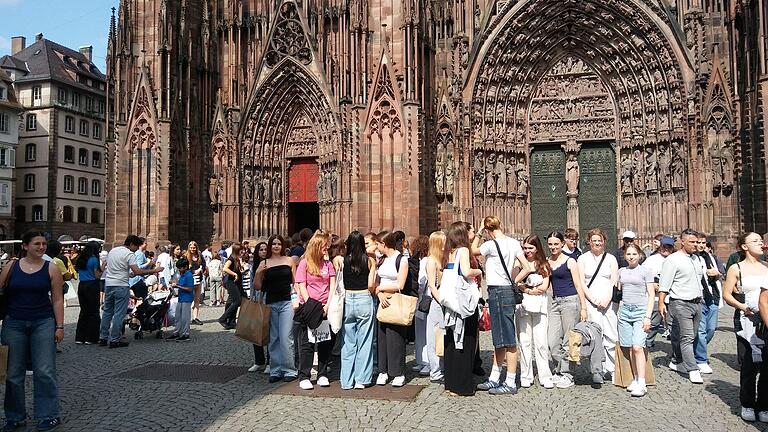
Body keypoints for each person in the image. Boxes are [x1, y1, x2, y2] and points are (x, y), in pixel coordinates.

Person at [0, 232, 65, 431]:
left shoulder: (51, 268)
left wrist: (60, 326)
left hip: (43, 323)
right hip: (14, 323)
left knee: (45, 371)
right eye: (37, 243)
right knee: (13, 373)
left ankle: (48, 415)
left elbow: (57, 299)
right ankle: (14, 417)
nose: (41, 247)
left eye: (44, 244)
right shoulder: (10, 267)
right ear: (25, 246)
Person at [472, 216, 530, 395]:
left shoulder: (490, 244)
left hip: (497, 291)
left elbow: (473, 250)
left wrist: (479, 231)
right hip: (505, 291)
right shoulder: (513, 243)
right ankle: (494, 378)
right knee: (499, 338)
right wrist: (513, 281)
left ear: (488, 228)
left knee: (508, 340)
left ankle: (511, 382)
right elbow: (527, 267)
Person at [723, 232, 768, 422]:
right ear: (744, 246)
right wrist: (742, 307)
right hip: (746, 319)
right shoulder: (736, 268)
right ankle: (748, 403)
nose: (761, 243)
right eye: (755, 241)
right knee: (749, 364)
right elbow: (727, 294)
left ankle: (764, 405)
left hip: (764, 320)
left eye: (761, 240)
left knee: (766, 365)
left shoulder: (766, 267)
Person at [658, 228, 705, 384]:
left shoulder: (697, 259)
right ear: (682, 241)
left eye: (697, 242)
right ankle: (693, 369)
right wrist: (661, 304)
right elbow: (664, 284)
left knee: (692, 335)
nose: (695, 245)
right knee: (687, 337)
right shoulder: (673, 260)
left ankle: (677, 360)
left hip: (697, 303)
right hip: (680, 302)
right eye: (692, 242)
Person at [441, 222, 482, 396]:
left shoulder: (448, 252)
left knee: (451, 341)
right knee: (466, 341)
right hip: (463, 303)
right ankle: (462, 386)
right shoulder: (463, 251)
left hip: (451, 303)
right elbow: (466, 272)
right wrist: (478, 271)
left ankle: (451, 383)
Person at [101, 235, 163, 348]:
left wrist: (128, 274)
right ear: (131, 244)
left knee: (107, 312)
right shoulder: (129, 254)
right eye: (136, 246)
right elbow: (138, 271)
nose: (136, 249)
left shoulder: (113, 251)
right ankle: (115, 339)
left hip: (109, 284)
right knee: (119, 313)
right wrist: (155, 270)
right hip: (121, 285)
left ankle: (103, 338)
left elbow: (115, 268)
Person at [295, 230, 337, 390]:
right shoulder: (305, 263)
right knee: (307, 343)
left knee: (325, 342)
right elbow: (301, 285)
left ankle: (322, 374)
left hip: (326, 307)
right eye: (324, 246)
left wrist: (327, 305)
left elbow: (332, 285)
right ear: (316, 246)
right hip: (310, 307)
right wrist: (311, 305)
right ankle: (304, 376)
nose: (327, 249)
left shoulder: (328, 264)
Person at [546, 231, 588, 389]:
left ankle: (567, 374)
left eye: (556, 244)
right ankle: (559, 369)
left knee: (569, 340)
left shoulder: (570, 261)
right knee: (552, 341)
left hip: (571, 302)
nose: (553, 247)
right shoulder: (548, 262)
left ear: (562, 244)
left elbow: (579, 285)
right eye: (550, 244)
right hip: (555, 303)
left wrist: (583, 307)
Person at [577, 228, 619, 383]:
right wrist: (593, 300)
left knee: (611, 335)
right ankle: (597, 370)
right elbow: (582, 282)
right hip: (591, 301)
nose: (597, 243)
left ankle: (613, 369)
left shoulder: (611, 259)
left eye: (599, 240)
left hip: (608, 303)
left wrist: (607, 299)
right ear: (589, 241)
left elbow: (614, 280)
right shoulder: (582, 259)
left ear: (604, 241)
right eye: (594, 240)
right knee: (595, 337)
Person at [253, 236, 297, 382]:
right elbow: (257, 286)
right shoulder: (265, 263)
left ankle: (289, 370)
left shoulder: (289, 261)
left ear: (283, 246)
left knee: (286, 337)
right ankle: (275, 370)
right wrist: (259, 272)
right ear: (270, 246)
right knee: (274, 338)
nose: (276, 246)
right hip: (270, 302)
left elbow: (295, 282)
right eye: (274, 244)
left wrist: (296, 301)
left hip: (286, 303)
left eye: (279, 244)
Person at [339, 231, 377, 389]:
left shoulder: (342, 261)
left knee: (348, 342)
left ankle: (346, 381)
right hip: (363, 298)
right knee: (365, 341)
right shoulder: (369, 261)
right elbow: (370, 285)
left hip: (348, 299)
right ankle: (361, 379)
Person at [375, 231, 414, 388]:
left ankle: (398, 372)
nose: (377, 247)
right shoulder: (382, 259)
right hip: (382, 300)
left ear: (384, 244)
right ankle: (383, 371)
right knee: (382, 337)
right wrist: (379, 293)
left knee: (396, 338)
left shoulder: (401, 260)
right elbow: (377, 281)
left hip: (395, 300)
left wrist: (381, 289)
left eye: (378, 244)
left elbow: (400, 285)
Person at [616, 244, 656, 397]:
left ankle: (642, 381)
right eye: (628, 254)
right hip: (625, 311)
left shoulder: (646, 271)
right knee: (629, 347)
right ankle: (635, 377)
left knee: (638, 346)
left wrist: (647, 316)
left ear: (639, 255)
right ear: (625, 256)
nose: (631, 256)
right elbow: (618, 289)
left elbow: (651, 295)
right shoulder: (621, 271)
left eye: (634, 254)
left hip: (640, 311)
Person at [516, 234, 554, 389]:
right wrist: (530, 291)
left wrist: (527, 289)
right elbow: (516, 282)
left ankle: (545, 375)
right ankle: (526, 375)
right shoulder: (519, 263)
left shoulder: (543, 264)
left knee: (541, 342)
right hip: (524, 306)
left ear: (537, 248)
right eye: (525, 248)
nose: (527, 251)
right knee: (524, 341)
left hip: (540, 306)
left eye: (530, 248)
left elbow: (545, 286)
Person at [694, 232, 721, 374]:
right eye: (697, 242)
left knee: (711, 328)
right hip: (699, 298)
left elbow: (720, 274)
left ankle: (697, 347)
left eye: (703, 243)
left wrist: (716, 274)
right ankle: (701, 359)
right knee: (701, 330)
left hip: (712, 296)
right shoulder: (691, 258)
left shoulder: (710, 257)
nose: (700, 245)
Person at [642, 236, 675, 348]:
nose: (666, 249)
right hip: (655, 297)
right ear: (660, 246)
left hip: (672, 297)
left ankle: (676, 352)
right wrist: (651, 285)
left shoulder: (676, 259)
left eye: (669, 247)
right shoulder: (651, 260)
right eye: (664, 246)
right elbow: (642, 275)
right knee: (654, 323)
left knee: (673, 324)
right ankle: (646, 344)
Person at [424, 231, 446, 383]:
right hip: (438, 304)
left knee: (442, 337)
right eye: (444, 240)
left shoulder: (443, 259)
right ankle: (435, 371)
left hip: (445, 303)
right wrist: (442, 301)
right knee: (434, 337)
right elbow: (432, 285)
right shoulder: (431, 261)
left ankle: (443, 368)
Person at [74, 241, 103, 345]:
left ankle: (80, 337)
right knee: (94, 312)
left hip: (82, 285)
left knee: (84, 311)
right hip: (92, 285)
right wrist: (103, 267)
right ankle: (91, 337)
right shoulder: (94, 259)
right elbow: (97, 276)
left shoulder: (81, 258)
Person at [411, 235, 430, 376]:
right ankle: (421, 360)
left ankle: (426, 362)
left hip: (423, 299)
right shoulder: (425, 260)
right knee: (422, 330)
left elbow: (422, 281)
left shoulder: (424, 261)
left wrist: (416, 293)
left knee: (423, 331)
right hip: (424, 299)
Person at [168, 258, 194, 341]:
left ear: (185, 267)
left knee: (185, 317)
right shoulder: (182, 275)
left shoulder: (189, 275)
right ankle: (176, 332)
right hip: (181, 298)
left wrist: (177, 286)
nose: (179, 269)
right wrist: (174, 283)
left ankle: (186, 334)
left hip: (187, 298)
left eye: (181, 267)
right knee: (178, 316)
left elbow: (190, 289)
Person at [218, 243, 243, 330]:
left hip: (236, 282)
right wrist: (235, 274)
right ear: (237, 250)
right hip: (231, 282)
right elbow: (225, 268)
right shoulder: (231, 258)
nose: (242, 252)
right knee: (238, 301)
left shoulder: (236, 259)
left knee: (231, 300)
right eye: (241, 250)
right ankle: (223, 318)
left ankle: (231, 321)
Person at [185, 241, 206, 326]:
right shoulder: (186, 256)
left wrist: (201, 269)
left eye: (194, 248)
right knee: (189, 299)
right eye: (191, 248)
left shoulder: (199, 256)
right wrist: (192, 271)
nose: (192, 249)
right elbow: (183, 267)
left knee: (197, 299)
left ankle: (195, 318)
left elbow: (204, 264)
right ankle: (186, 317)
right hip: (190, 280)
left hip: (198, 279)